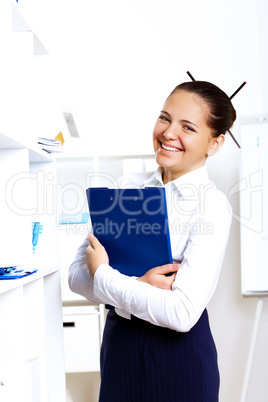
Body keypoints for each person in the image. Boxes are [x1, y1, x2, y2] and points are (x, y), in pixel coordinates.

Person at [69, 78, 236, 402]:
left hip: (178, 357)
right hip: (120, 347)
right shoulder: (126, 187)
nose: (168, 133)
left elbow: (181, 313)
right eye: (164, 118)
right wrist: (140, 282)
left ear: (214, 144)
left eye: (187, 127)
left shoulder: (211, 205)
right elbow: (76, 276)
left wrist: (105, 275)